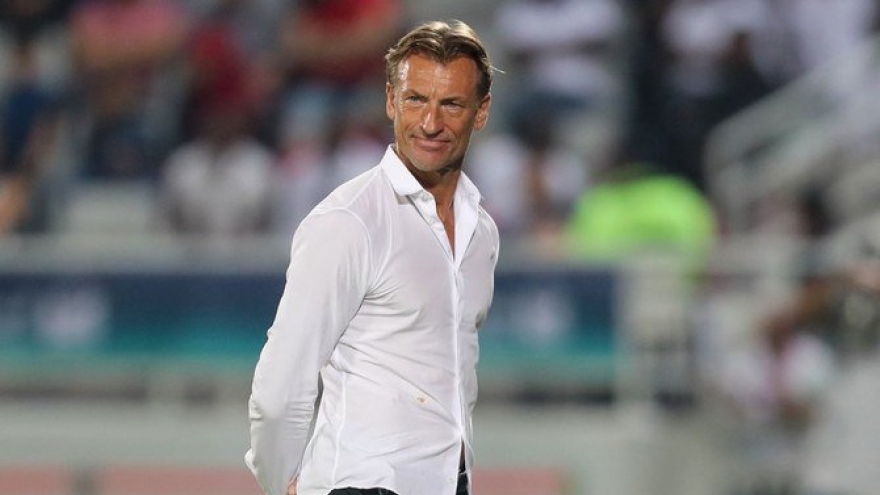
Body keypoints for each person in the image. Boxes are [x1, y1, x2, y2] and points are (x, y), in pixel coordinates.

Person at [246, 20, 499, 495]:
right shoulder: (349, 222)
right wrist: (281, 484)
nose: (430, 122)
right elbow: (280, 388)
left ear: (481, 111)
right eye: (415, 99)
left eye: (451, 104)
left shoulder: (480, 231)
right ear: (390, 101)